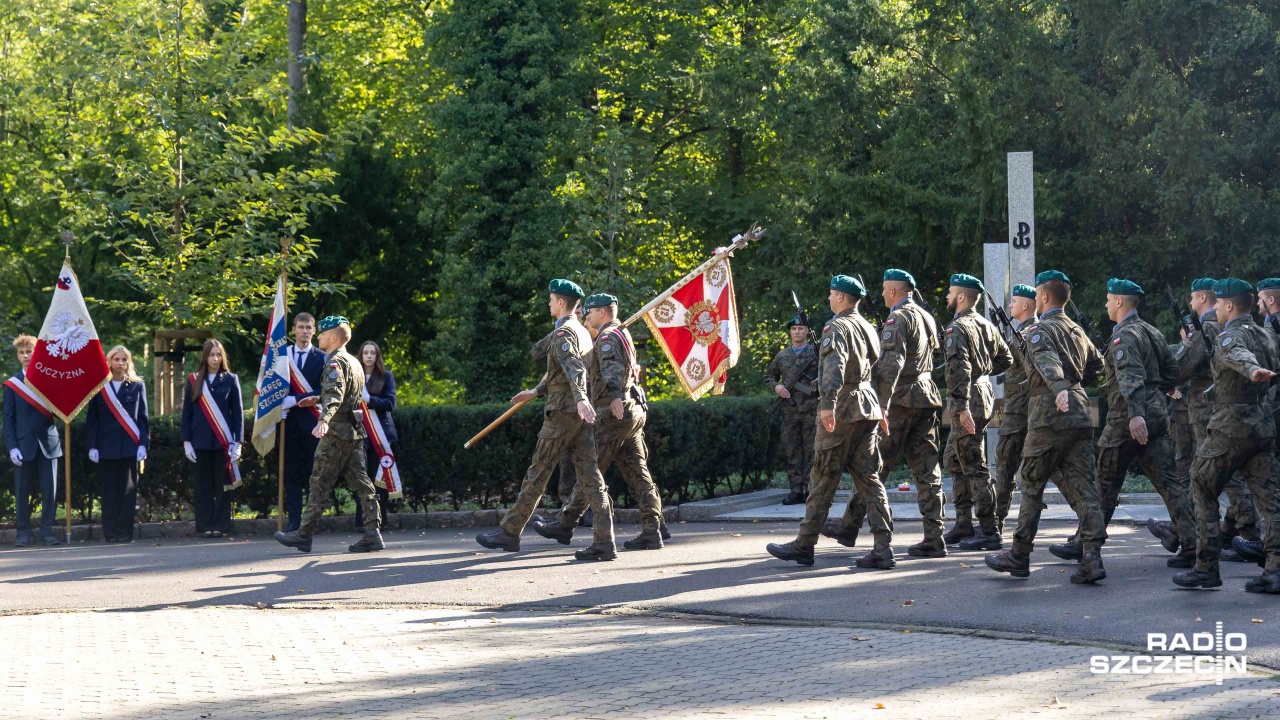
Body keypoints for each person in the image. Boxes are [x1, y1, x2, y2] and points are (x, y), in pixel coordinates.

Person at [1049, 279, 1195, 568]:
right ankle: (1192, 545)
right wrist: (1153, 395)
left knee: (1103, 485)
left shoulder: (1124, 337)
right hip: (1155, 415)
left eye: (1108, 299)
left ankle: (1086, 546)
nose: (1105, 305)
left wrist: (1135, 413)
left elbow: (1130, 376)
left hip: (1125, 419)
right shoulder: (1151, 331)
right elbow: (1173, 371)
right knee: (1170, 483)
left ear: (1119, 302)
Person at [475, 279, 618, 560]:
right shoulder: (582, 330)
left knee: (538, 472)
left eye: (551, 300)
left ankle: (509, 532)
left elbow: (574, 369)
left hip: (564, 411)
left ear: (561, 302)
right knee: (591, 478)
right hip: (577, 413)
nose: (549, 304)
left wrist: (580, 398)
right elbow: (563, 371)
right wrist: (537, 391)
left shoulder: (565, 332)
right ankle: (604, 540)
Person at [985, 270, 1108, 584]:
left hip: (1050, 413)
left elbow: (1045, 360)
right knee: (1085, 489)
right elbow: (1099, 366)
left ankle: (1019, 554)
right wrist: (1077, 385)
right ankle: (1092, 557)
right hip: (1080, 415)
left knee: (1031, 484)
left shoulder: (1039, 331)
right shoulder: (1077, 330)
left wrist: (1059, 387)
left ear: (1043, 297)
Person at [766, 274, 895, 569]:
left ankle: (804, 543)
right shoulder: (867, 327)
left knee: (822, 477)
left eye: (830, 294)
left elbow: (834, 366)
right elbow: (879, 367)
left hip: (843, 409)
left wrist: (827, 405)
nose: (828, 298)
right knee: (870, 479)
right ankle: (882, 547)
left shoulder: (836, 326)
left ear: (840, 297)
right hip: (867, 407)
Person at [533, 293, 669, 550]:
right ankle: (654, 529)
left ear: (603, 313)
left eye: (591, 312)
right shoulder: (623, 333)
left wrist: (616, 396)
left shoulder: (607, 337)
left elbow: (611, 369)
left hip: (613, 412)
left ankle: (565, 524)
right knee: (640, 474)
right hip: (633, 412)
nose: (588, 316)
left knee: (590, 472)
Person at [826, 268, 946, 557]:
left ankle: (850, 526)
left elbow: (892, 364)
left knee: (873, 467)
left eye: (883, 289)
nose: (880, 294)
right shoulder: (926, 316)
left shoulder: (897, 318)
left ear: (893, 291)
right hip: (927, 397)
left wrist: (882, 404)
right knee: (928, 470)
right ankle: (934, 536)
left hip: (901, 401)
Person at [1173, 279, 1280, 593]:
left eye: (1219, 303)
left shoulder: (1227, 337)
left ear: (1230, 305)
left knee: (1201, 482)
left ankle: (1206, 566)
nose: (1215, 308)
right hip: (1262, 426)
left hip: (1231, 428)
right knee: (1271, 500)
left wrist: (1251, 370)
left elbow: (1238, 356)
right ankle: (1275, 569)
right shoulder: (1266, 334)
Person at [1154, 279, 1260, 561]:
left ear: (1203, 296)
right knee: (1209, 474)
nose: (1190, 302)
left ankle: (1245, 535)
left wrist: (1161, 378)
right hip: (1213, 409)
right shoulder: (1220, 325)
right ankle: (1189, 535)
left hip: (1208, 410)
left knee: (1220, 475)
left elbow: (1185, 366)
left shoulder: (1211, 326)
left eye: (1192, 297)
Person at [275, 316, 386, 554]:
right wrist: (318, 399)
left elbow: (336, 394)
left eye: (322, 334)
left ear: (333, 337)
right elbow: (347, 394)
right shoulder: (354, 362)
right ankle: (372, 532)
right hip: (353, 430)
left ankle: (303, 535)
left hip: (336, 432)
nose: (318, 337)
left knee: (319, 482)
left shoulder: (335, 362)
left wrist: (324, 419)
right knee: (362, 483)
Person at [942, 273, 1013, 551]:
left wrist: (960, 407)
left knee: (973, 465)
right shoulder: (985, 325)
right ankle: (963, 523)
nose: (947, 297)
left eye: (950, 293)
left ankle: (988, 530)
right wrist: (984, 373)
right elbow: (1005, 359)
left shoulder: (958, 328)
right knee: (953, 459)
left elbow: (959, 369)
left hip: (969, 398)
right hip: (983, 393)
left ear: (961, 296)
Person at [85, 345, 150, 543]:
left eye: (124, 360)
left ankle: (125, 532)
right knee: (109, 492)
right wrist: (92, 446)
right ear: (110, 362)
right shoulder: (99, 387)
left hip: (130, 448)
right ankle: (110, 532)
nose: (120, 363)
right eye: (117, 359)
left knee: (128, 493)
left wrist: (143, 445)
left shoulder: (138, 386)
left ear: (128, 362)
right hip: (106, 448)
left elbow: (143, 419)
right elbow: (92, 419)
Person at [3, 335, 62, 548]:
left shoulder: (51, 380)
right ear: (18, 356)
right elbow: (8, 419)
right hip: (23, 445)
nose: (26, 356)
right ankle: (23, 533)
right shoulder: (12, 385)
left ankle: (47, 532)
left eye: (30, 351)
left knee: (50, 491)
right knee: (22, 492)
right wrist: (12, 448)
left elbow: (63, 411)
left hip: (49, 444)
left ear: (37, 354)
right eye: (22, 352)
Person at [180, 339, 243, 538]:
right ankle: (205, 525)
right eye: (211, 355)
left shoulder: (231, 379)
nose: (215, 359)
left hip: (223, 443)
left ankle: (221, 526)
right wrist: (186, 442)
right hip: (200, 442)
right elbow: (187, 414)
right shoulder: (193, 380)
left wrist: (238, 442)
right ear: (205, 357)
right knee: (203, 487)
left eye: (218, 355)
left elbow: (238, 414)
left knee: (223, 486)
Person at [993, 284, 1038, 533]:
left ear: (1026, 305)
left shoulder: (1030, 333)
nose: (1010, 306)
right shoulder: (1020, 332)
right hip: (1020, 409)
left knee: (1006, 466)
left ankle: (995, 524)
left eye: (1014, 301)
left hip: (1021, 411)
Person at [764, 312, 819, 505]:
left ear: (807, 331)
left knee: (812, 451)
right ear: (790, 332)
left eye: (800, 328)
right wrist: (776, 386)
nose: (797, 332)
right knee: (792, 451)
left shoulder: (816, 353)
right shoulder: (782, 356)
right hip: (790, 411)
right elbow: (769, 377)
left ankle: (811, 490)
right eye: (794, 329)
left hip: (812, 409)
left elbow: (828, 376)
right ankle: (795, 490)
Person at [281, 313, 322, 532]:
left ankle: (311, 521)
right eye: (300, 327)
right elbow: (275, 386)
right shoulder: (282, 357)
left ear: (314, 331)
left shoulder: (323, 357)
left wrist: (294, 400)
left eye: (308, 327)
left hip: (313, 424)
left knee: (313, 475)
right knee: (292, 474)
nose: (305, 331)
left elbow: (325, 390)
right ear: (294, 330)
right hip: (288, 425)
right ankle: (294, 521)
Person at [355, 340, 395, 531]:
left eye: (373, 353)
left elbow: (390, 404)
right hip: (359, 434)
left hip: (380, 436)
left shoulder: (386, 376)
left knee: (379, 480)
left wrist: (370, 400)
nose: (369, 356)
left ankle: (380, 520)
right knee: (361, 478)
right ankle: (361, 521)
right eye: (365, 353)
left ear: (377, 356)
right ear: (360, 356)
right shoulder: (355, 377)